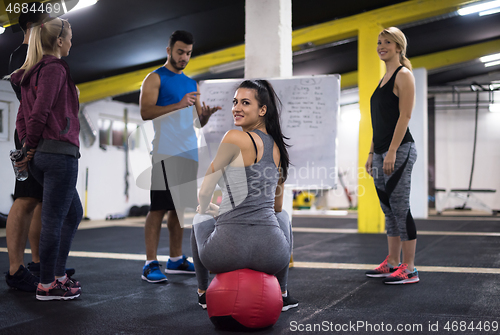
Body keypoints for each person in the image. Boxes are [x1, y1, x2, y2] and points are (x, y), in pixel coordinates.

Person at [191, 80, 299, 312]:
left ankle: (202, 293)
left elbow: (205, 190)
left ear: (262, 110)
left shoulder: (234, 137)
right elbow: (276, 207)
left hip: (225, 253)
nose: (236, 108)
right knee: (284, 217)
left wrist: (206, 208)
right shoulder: (278, 149)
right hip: (272, 255)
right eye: (235, 102)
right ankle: (283, 292)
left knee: (198, 218)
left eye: (245, 103)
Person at [139, 30, 221, 283]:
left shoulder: (192, 83)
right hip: (165, 152)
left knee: (178, 210)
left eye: (188, 53)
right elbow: (145, 112)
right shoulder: (154, 78)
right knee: (158, 209)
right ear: (169, 50)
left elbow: (197, 123)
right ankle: (150, 263)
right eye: (180, 52)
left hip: (188, 153)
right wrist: (178, 104)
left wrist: (206, 115)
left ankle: (175, 259)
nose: (184, 57)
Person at [11, 17, 82, 300]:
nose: (73, 42)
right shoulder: (54, 68)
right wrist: (30, 147)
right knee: (54, 220)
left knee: (73, 213)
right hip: (58, 154)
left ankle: (57, 273)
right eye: (71, 37)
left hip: (44, 155)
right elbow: (39, 112)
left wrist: (29, 147)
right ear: (60, 41)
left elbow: (21, 118)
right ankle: (47, 284)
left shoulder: (29, 72)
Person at [365, 27, 419, 284]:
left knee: (400, 208)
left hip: (399, 150)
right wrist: (371, 152)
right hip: (381, 151)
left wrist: (393, 151)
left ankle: (410, 268)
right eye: (379, 42)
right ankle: (393, 262)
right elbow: (380, 122)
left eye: (387, 42)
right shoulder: (383, 78)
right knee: (388, 209)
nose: (381, 46)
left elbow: (404, 116)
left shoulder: (403, 75)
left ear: (399, 47)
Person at [5, 3, 46, 292]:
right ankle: (16, 269)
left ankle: (37, 263)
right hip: (29, 134)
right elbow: (35, 102)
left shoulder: (39, 56)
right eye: (47, 23)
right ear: (34, 26)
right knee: (24, 199)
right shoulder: (22, 56)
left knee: (40, 201)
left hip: (42, 135)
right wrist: (30, 142)